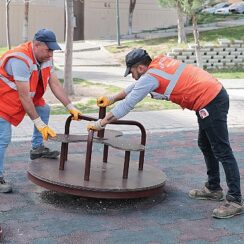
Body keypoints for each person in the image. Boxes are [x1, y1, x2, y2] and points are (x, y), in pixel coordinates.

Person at [87, 48, 243, 219]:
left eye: (131, 71)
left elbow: (128, 104)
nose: (131, 75)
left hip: (210, 100)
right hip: (210, 97)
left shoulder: (151, 77)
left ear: (140, 68)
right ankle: (213, 188)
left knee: (222, 150)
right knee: (205, 144)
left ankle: (235, 200)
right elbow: (135, 86)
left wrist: (100, 123)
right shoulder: (158, 63)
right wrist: (112, 99)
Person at [0, 29, 82, 193]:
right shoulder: (20, 59)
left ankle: (37, 148)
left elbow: (55, 85)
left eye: (52, 50)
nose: (51, 54)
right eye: (48, 49)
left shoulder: (44, 58)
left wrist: (70, 107)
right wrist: (39, 124)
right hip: (2, 101)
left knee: (44, 108)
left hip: (16, 98)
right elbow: (24, 96)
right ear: (36, 45)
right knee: (3, 138)